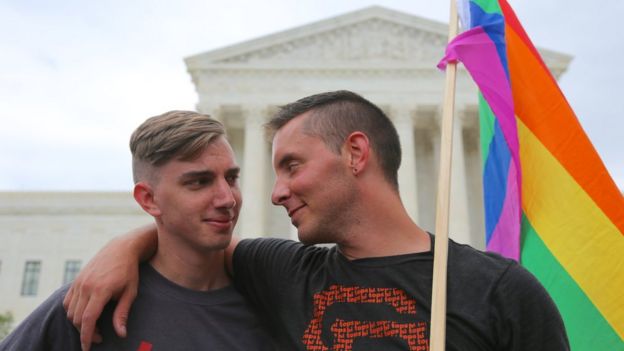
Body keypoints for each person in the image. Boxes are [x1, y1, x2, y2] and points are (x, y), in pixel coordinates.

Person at [65, 91, 570, 351]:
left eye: (292, 166)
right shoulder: (283, 271)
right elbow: (193, 238)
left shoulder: (500, 292)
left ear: (355, 154)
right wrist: (125, 247)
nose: (276, 191)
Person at [1, 111, 274, 351]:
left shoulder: (273, 307)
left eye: (231, 178)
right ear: (148, 199)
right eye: (199, 182)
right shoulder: (86, 308)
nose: (227, 198)